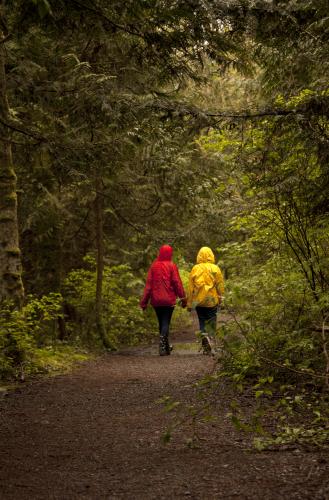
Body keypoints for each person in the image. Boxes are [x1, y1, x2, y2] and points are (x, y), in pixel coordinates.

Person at [140, 245, 186, 356]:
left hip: (156, 300)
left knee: (161, 323)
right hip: (168, 300)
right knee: (165, 322)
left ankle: (165, 348)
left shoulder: (153, 266)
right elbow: (177, 283)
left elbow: (148, 286)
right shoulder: (172, 266)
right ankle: (163, 344)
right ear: (170, 253)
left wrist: (144, 302)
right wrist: (183, 298)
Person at [187, 246, 224, 354]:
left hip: (199, 301)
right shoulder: (215, 268)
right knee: (212, 322)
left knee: (202, 321)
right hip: (212, 300)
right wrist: (221, 299)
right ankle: (211, 342)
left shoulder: (195, 268)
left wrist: (190, 304)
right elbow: (220, 286)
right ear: (211, 255)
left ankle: (205, 341)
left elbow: (190, 289)